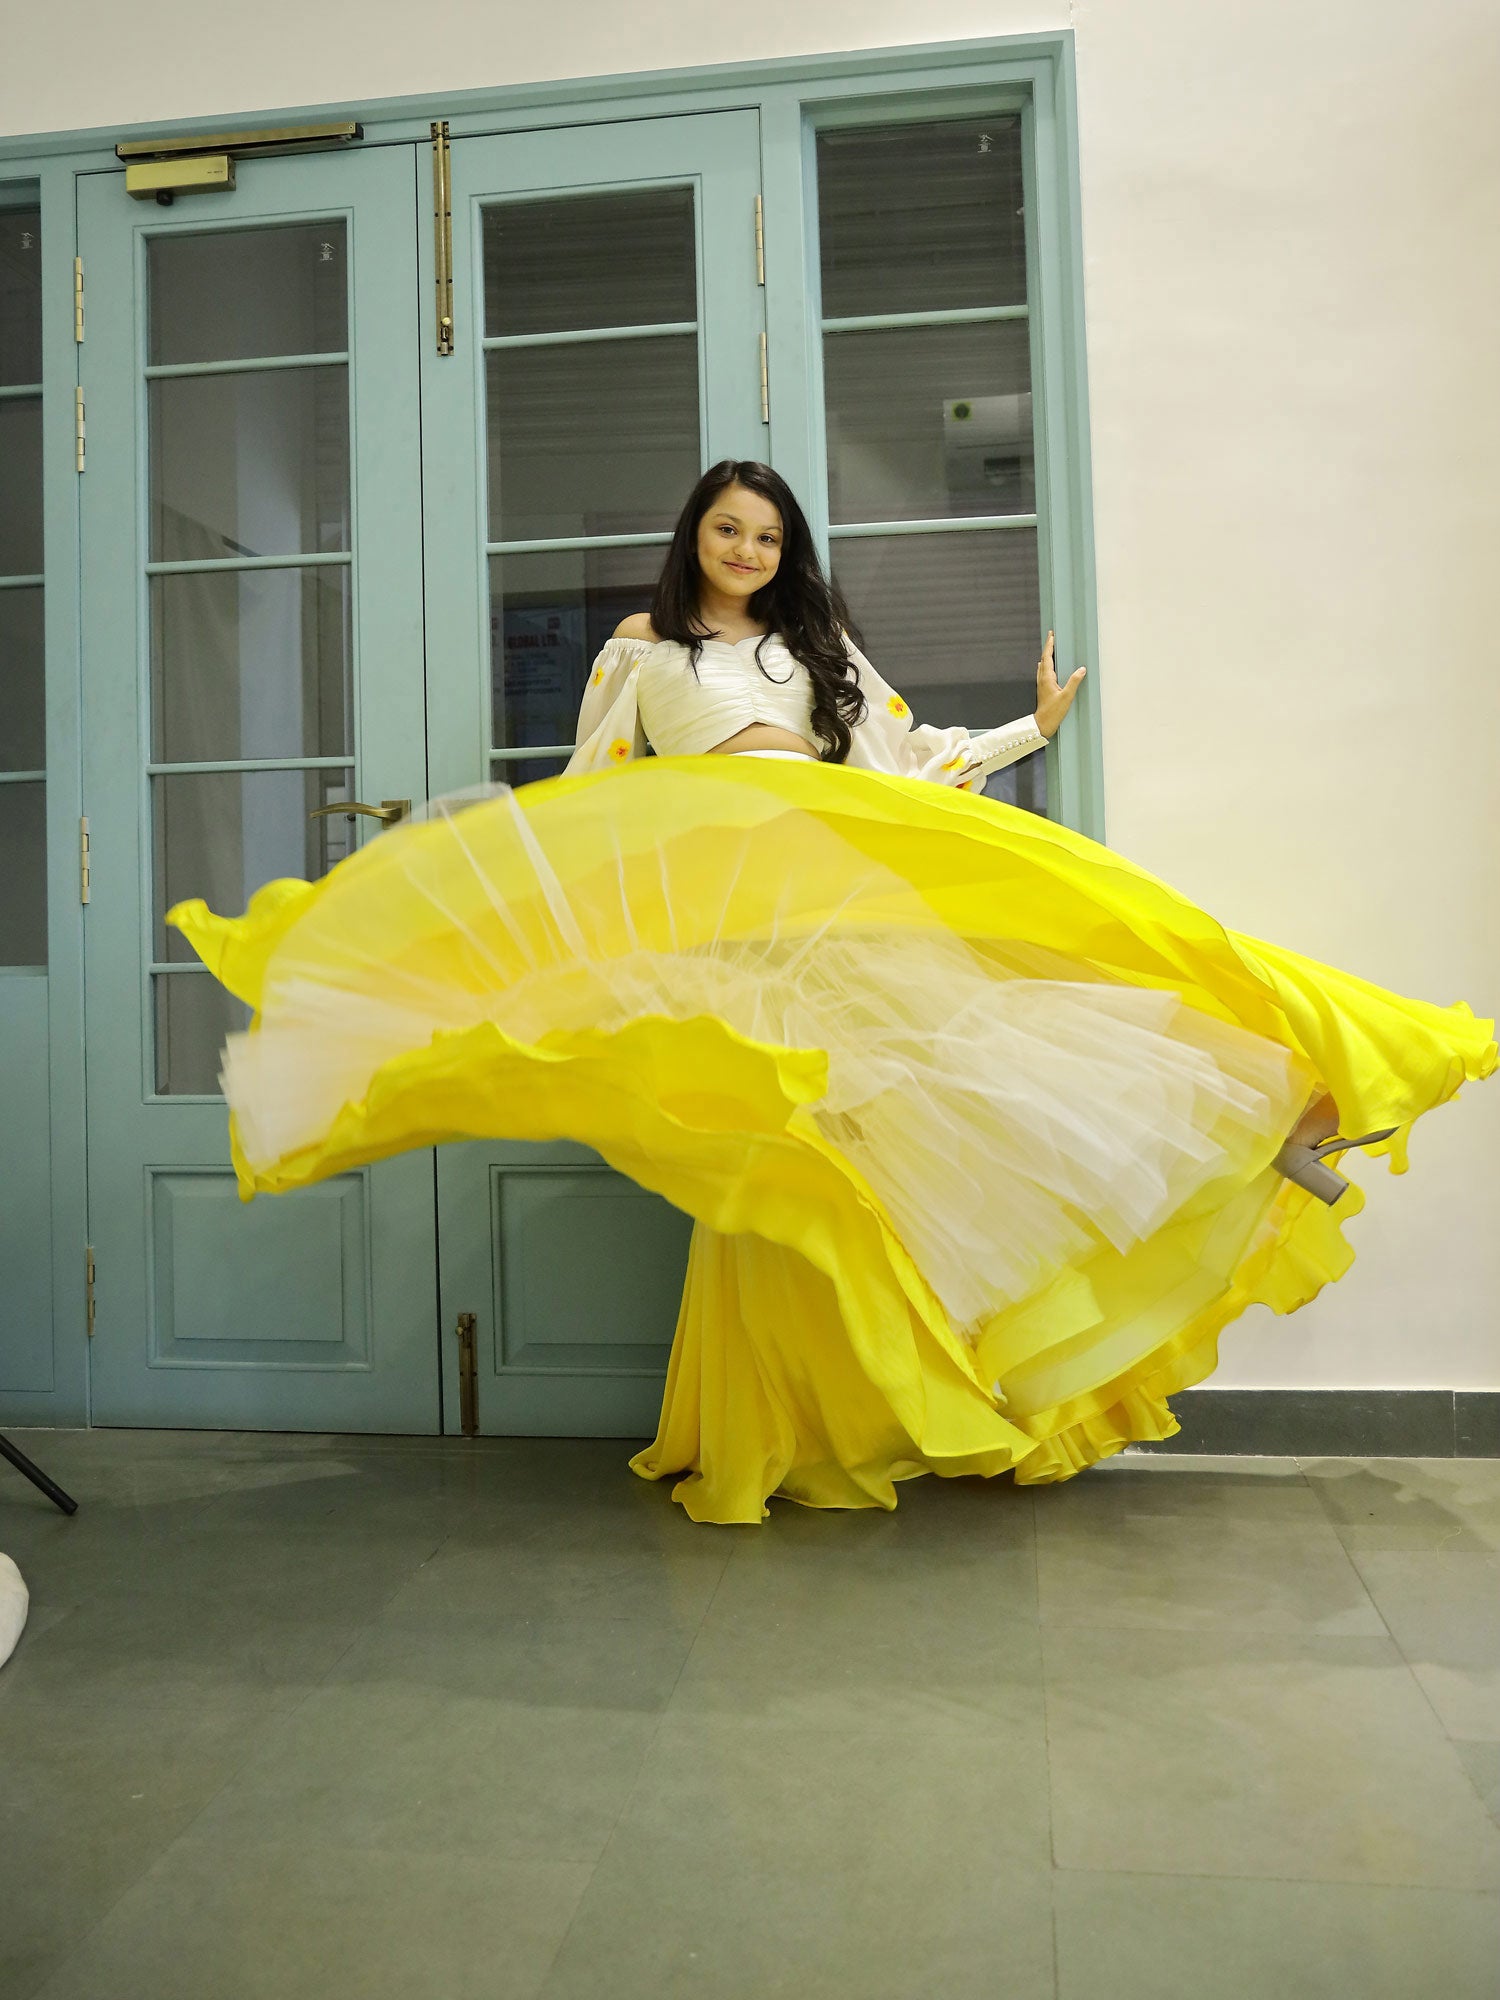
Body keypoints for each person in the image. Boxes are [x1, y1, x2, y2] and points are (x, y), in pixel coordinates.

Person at [168, 461, 1495, 1524]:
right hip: (726, 923)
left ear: (785, 553)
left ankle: (1277, 1116)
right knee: (784, 1154)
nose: (745, 550)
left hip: (821, 892)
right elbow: (590, 791)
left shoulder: (820, 643)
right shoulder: (640, 649)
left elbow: (902, 762)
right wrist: (528, 911)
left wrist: (1029, 731)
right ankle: (797, 1429)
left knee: (980, 1063)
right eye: (727, 530)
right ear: (694, 536)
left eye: (765, 537)